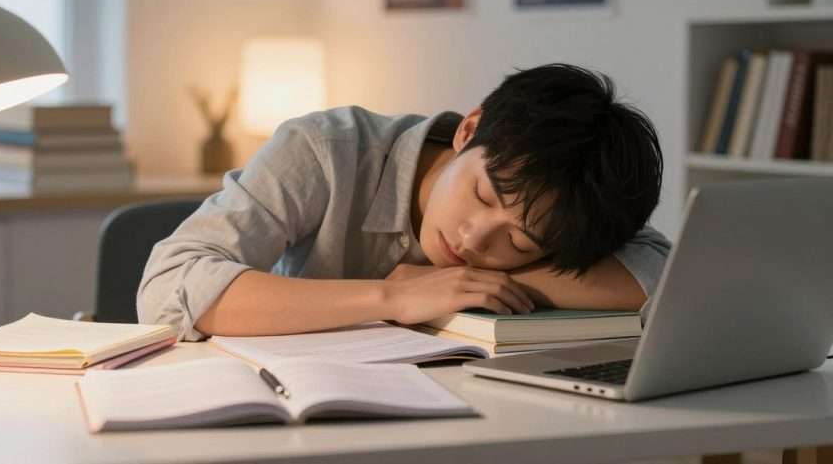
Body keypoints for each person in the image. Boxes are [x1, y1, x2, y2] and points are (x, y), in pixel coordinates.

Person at [138, 64, 671, 341]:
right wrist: (390, 297)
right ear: (469, 130)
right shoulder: (326, 150)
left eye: (519, 241)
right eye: (483, 194)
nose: (473, 239)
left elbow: (663, 274)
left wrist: (471, 287)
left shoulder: (572, 204)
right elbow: (169, 285)